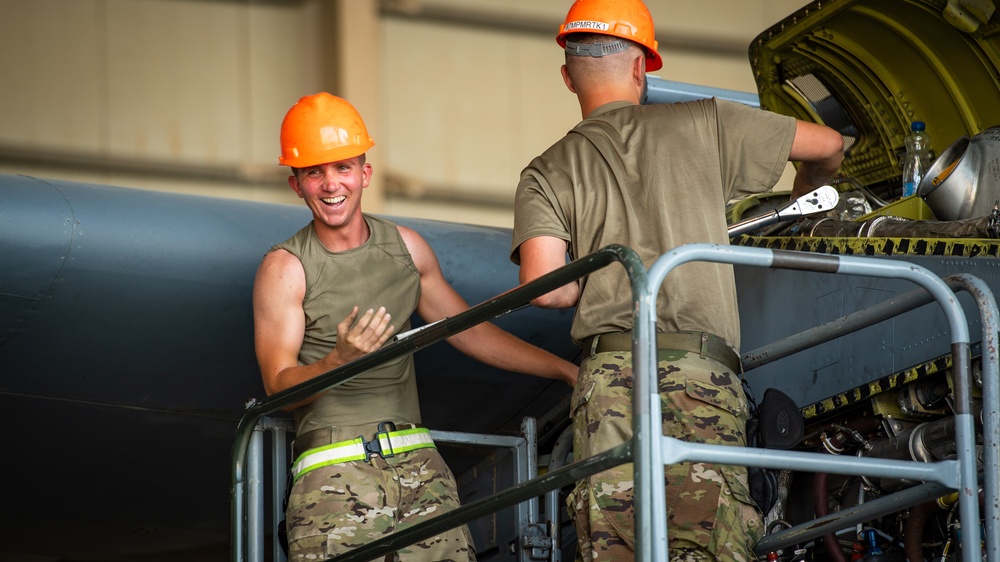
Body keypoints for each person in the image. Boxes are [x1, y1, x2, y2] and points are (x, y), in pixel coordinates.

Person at [509, 1, 845, 560]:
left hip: (610, 379)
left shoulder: (547, 169)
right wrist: (799, 203)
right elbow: (829, 146)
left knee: (619, 543)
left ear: (568, 76)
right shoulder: (709, 121)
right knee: (708, 539)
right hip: (702, 371)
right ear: (644, 68)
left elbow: (548, 289)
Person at [253, 92, 578, 562]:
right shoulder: (285, 268)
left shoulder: (406, 248)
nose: (330, 184)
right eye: (314, 172)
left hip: (418, 465)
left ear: (365, 173)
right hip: (332, 474)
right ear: (296, 185)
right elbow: (277, 387)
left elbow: (467, 329)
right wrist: (338, 360)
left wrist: (564, 372)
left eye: (343, 167)